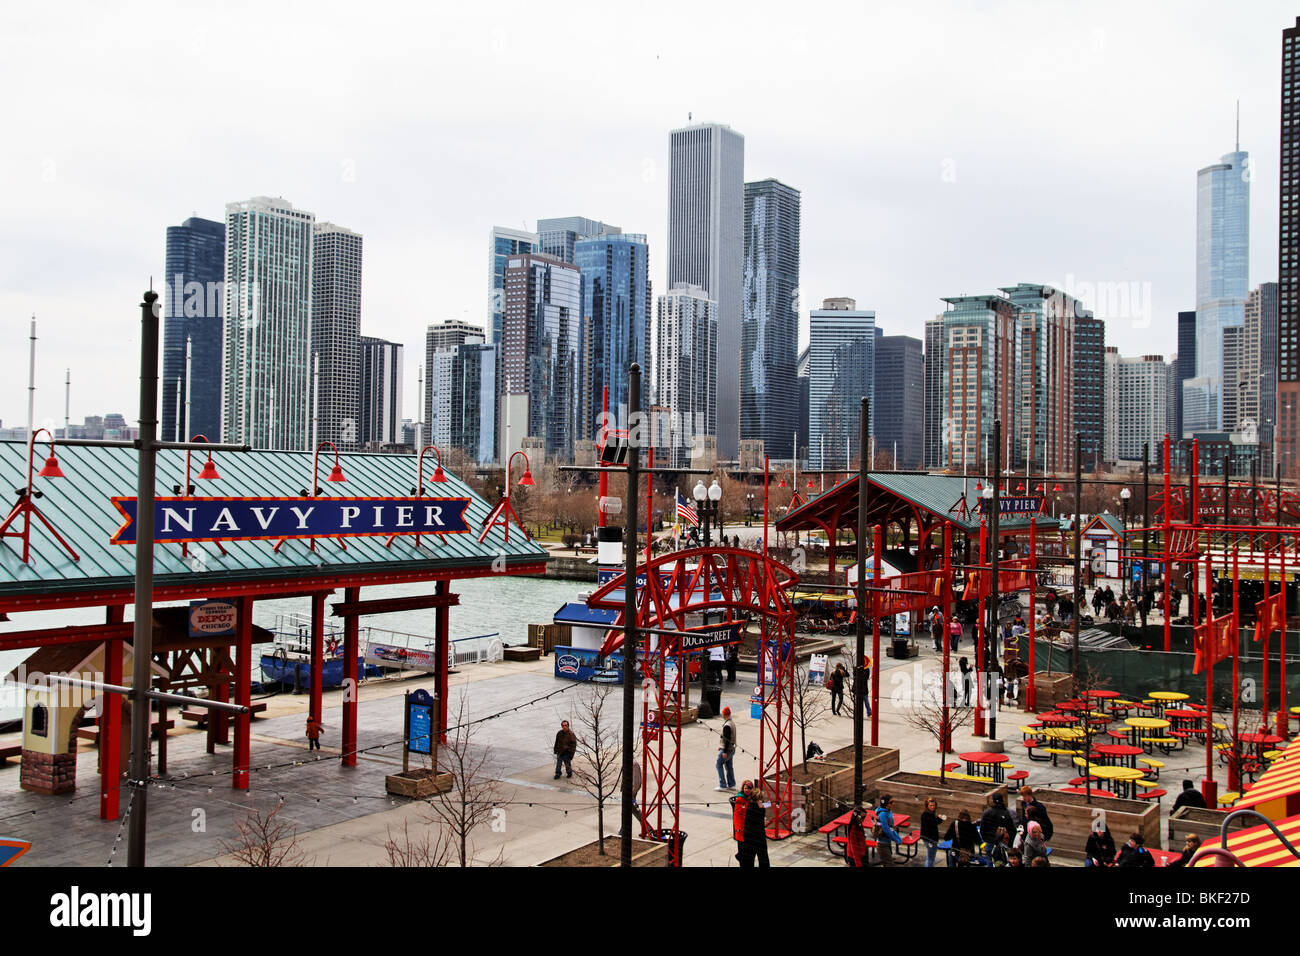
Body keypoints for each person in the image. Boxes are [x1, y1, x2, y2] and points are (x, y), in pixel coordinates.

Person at [739, 782, 770, 867]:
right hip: (759, 837)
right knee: (763, 858)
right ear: (759, 799)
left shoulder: (748, 808)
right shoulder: (761, 809)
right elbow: (763, 808)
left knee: (749, 859)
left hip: (749, 837)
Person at [873, 793, 902, 866]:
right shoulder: (883, 814)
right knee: (890, 864)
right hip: (882, 844)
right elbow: (886, 830)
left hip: (887, 842)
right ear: (886, 803)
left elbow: (891, 828)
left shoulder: (888, 812)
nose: (892, 804)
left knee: (887, 863)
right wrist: (896, 839)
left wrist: (897, 838)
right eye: (891, 802)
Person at [730, 780, 752, 862]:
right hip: (741, 828)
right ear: (743, 788)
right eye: (745, 788)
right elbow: (737, 815)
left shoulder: (750, 798)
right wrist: (738, 827)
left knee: (745, 847)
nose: (747, 790)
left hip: (747, 827)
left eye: (749, 788)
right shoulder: (740, 799)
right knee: (742, 847)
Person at [716, 707, 736, 791]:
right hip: (732, 748)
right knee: (729, 766)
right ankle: (731, 784)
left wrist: (724, 751)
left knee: (719, 764)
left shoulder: (727, 726)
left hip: (727, 750)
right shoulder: (732, 723)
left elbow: (727, 739)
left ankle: (722, 784)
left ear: (724, 715)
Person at [920, 797, 944, 868]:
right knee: (931, 859)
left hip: (930, 839)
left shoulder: (930, 814)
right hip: (930, 840)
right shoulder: (927, 815)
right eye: (931, 805)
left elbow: (934, 823)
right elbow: (931, 826)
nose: (933, 807)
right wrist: (939, 819)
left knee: (930, 857)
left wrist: (939, 819)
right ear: (927, 806)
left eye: (934, 805)